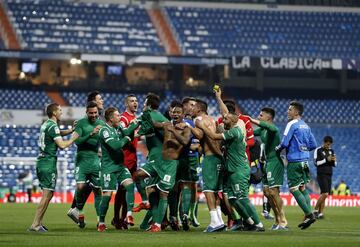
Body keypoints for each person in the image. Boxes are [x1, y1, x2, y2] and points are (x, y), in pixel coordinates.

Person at [197, 109, 265, 232]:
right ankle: (249, 222)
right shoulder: (231, 130)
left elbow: (213, 136)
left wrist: (201, 125)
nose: (223, 120)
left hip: (239, 170)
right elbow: (222, 128)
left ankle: (258, 224)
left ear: (234, 120)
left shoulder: (235, 131)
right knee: (232, 198)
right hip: (232, 169)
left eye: (226, 119)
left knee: (242, 198)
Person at [135, 98, 191, 232]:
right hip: (159, 161)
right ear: (170, 113)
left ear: (183, 114)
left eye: (178, 112)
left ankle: (158, 225)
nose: (176, 114)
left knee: (163, 193)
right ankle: (146, 202)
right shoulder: (166, 124)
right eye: (173, 112)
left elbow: (184, 141)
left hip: (171, 164)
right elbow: (153, 124)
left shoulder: (186, 128)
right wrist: (145, 115)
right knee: (138, 176)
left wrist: (173, 131)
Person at [29, 103, 77, 232]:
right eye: (60, 110)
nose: (62, 112)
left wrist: (70, 130)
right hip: (48, 162)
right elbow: (61, 145)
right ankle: (35, 224)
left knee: (49, 194)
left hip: (42, 161)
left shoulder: (47, 124)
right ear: (54, 113)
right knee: (46, 195)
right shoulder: (53, 126)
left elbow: (57, 133)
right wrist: (73, 138)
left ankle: (38, 223)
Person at [276, 101, 317, 230]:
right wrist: (303, 150)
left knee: (294, 189)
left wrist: (276, 149)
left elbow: (284, 143)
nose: (287, 112)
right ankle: (308, 214)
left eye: (290, 110)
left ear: (296, 112)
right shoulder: (306, 126)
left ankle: (309, 215)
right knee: (302, 188)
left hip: (294, 161)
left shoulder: (291, 124)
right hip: (305, 161)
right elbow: (313, 144)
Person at [97, 107, 139, 232]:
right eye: (117, 115)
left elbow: (127, 133)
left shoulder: (118, 127)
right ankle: (101, 222)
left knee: (130, 185)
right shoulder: (104, 130)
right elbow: (115, 146)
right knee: (107, 196)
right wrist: (127, 139)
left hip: (120, 166)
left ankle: (129, 215)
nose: (120, 117)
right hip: (108, 168)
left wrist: (136, 123)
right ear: (110, 118)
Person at [187, 99, 226, 232]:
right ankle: (220, 220)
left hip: (210, 158)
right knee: (215, 191)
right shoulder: (212, 119)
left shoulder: (197, 120)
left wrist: (189, 127)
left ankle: (214, 222)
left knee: (208, 190)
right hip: (219, 157)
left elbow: (200, 134)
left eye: (193, 106)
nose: (191, 109)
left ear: (199, 109)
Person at [112, 94, 150, 229]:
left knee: (126, 190)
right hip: (124, 159)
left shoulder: (135, 118)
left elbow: (136, 138)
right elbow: (124, 135)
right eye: (132, 101)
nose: (135, 103)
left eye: (136, 101)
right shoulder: (123, 118)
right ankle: (117, 218)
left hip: (133, 159)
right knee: (122, 189)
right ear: (126, 104)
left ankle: (121, 219)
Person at [67, 91, 105, 224]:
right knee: (82, 187)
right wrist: (91, 133)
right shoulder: (82, 123)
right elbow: (76, 141)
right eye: (100, 99)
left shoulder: (102, 121)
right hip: (83, 159)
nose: (102, 101)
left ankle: (99, 220)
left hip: (96, 159)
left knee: (96, 189)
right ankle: (76, 210)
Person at [249, 107, 288, 230]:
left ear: (268, 117)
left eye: (261, 115)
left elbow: (273, 128)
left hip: (275, 162)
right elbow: (250, 133)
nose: (259, 117)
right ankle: (277, 220)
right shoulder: (262, 130)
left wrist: (252, 120)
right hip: (266, 163)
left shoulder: (272, 130)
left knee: (274, 192)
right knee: (266, 192)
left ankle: (283, 220)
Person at [177, 97, 201, 230]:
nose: (193, 107)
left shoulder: (195, 122)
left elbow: (198, 143)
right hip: (184, 157)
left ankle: (192, 215)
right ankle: (181, 215)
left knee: (194, 187)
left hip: (195, 158)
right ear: (185, 106)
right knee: (182, 186)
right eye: (191, 105)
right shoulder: (181, 122)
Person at [313, 135, 337, 219]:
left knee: (324, 194)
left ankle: (321, 213)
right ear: (324, 142)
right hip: (321, 174)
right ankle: (315, 210)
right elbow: (316, 163)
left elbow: (335, 165)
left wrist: (334, 161)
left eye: (330, 145)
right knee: (325, 193)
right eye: (327, 144)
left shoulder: (331, 151)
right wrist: (327, 159)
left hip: (329, 174)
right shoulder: (318, 150)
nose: (328, 146)